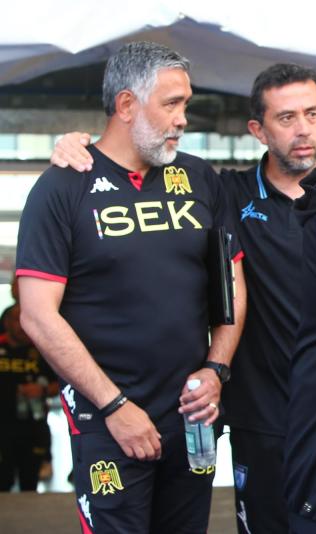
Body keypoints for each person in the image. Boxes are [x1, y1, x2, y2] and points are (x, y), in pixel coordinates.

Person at [50, 62, 316, 534]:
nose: (302, 129)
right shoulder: (224, 191)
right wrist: (77, 145)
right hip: (261, 415)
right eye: (286, 117)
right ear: (258, 130)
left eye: (312, 114)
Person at [16, 41, 245, 533]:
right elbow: (37, 314)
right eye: (172, 104)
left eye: (185, 104)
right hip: (107, 420)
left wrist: (216, 369)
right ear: (126, 105)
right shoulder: (63, 187)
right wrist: (114, 406)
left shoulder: (199, 179)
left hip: (191, 416)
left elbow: (231, 285)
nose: (183, 119)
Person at [0, 303, 58, 491]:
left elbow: (62, 383)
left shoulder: (42, 349)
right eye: (17, 319)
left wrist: (42, 390)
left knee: (30, 482)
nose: (22, 324)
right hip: (2, 427)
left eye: (25, 318)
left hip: (33, 427)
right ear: (6, 322)